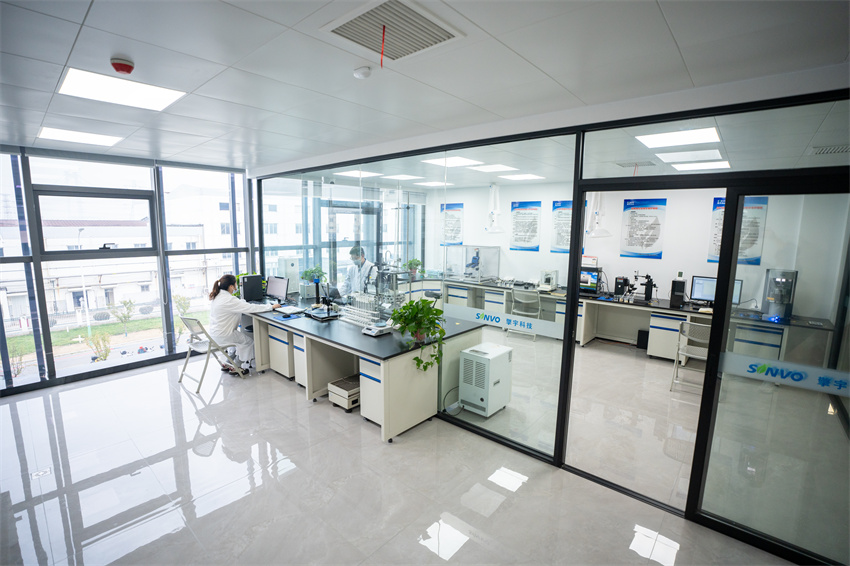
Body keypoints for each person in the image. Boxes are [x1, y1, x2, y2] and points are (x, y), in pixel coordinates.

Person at [208, 274, 279, 372]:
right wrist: (270, 307)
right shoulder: (229, 300)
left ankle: (228, 362)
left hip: (214, 334)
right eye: (236, 284)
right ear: (231, 286)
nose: (237, 286)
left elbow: (239, 304)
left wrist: (241, 302)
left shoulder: (218, 296)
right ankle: (237, 366)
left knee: (236, 342)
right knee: (248, 342)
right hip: (224, 335)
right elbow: (251, 308)